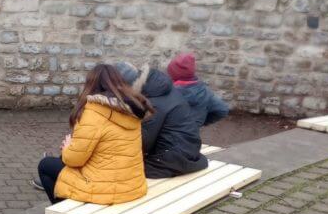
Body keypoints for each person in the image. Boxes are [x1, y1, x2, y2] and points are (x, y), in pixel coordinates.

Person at [36, 64, 154, 204]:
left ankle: (65, 212)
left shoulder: (93, 112)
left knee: (45, 165)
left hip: (105, 190)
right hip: (132, 187)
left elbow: (74, 160)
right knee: (63, 161)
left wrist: (67, 146)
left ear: (91, 85)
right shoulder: (132, 110)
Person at [115, 61, 208, 179]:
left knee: (117, 171)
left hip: (170, 159)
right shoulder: (158, 88)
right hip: (188, 150)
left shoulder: (154, 103)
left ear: (127, 86)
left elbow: (142, 142)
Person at [167, 52, 229, 128]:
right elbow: (222, 109)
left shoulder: (169, 92)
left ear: (173, 73)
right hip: (192, 133)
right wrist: (202, 122)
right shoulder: (205, 91)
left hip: (168, 134)